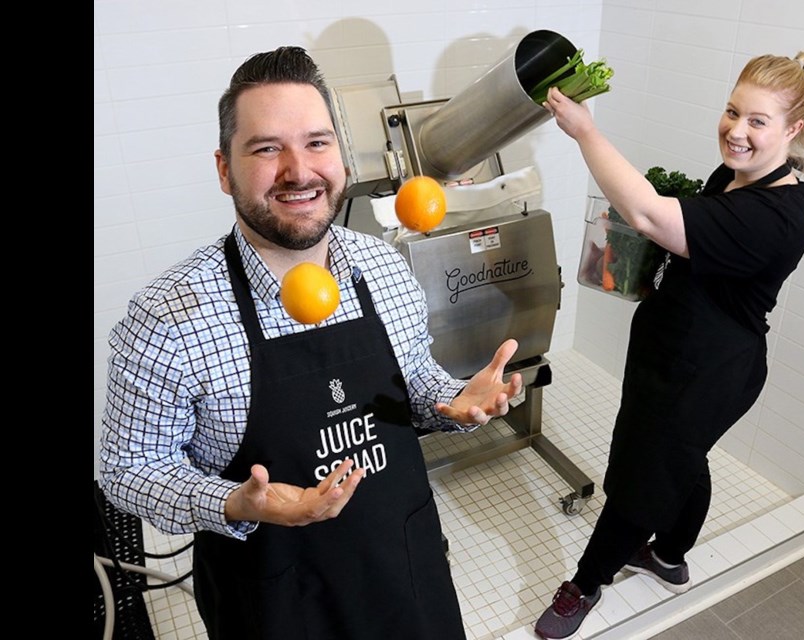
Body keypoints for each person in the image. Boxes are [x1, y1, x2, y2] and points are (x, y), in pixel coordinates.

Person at [98, 45, 525, 640]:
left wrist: (452, 403)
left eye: (317, 142)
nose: (299, 171)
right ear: (224, 170)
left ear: (341, 158)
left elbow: (415, 384)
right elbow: (126, 469)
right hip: (274, 599)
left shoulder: (382, 266)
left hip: (404, 567)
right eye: (267, 148)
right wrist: (236, 503)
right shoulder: (170, 316)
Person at [533, 50, 804, 639]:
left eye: (757, 121)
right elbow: (683, 240)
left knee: (645, 478)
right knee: (680, 460)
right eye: (731, 111)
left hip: (710, 371)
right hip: (672, 350)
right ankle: (669, 553)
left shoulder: (779, 213)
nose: (736, 131)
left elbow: (650, 216)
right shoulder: (738, 176)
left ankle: (585, 585)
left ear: (794, 130)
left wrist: (586, 132)